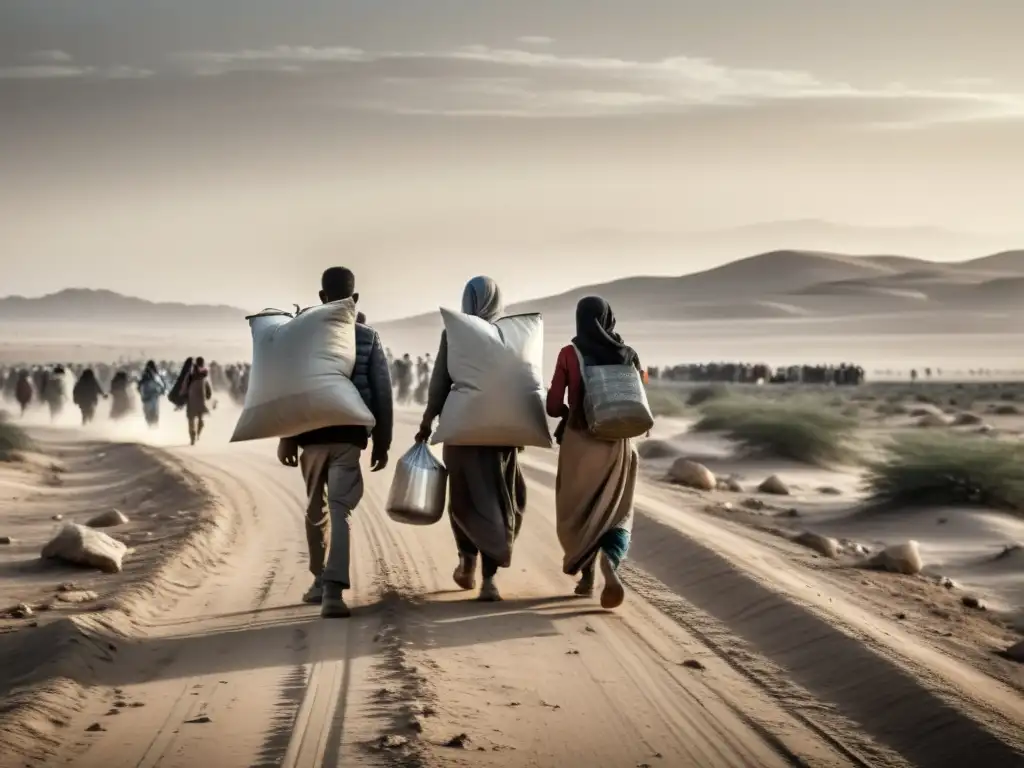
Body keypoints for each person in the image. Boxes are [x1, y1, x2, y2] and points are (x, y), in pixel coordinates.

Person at [276, 267, 393, 619]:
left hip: (311, 438)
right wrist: (382, 442)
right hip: (348, 437)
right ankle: (332, 592)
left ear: (322, 298)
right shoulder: (367, 337)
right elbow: (383, 393)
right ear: (354, 299)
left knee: (316, 511)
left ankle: (318, 580)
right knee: (341, 510)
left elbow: (290, 388)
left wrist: (287, 438)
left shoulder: (302, 337)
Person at [415, 276, 526, 602]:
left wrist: (427, 422)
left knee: (463, 499)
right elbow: (525, 380)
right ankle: (489, 579)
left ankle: (467, 562)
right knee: (500, 499)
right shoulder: (512, 334)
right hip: (502, 435)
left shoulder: (456, 333)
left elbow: (439, 383)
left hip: (462, 431)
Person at [546, 296, 641, 610]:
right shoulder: (628, 354)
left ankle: (585, 576)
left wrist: (567, 410)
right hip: (619, 444)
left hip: (580, 442)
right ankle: (610, 562)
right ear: (608, 319)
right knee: (617, 511)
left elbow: (552, 404)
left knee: (578, 512)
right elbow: (640, 396)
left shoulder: (568, 354)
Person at [180, 357, 213, 445]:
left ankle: (193, 437)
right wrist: (208, 395)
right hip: (201, 400)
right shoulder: (205, 374)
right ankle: (197, 434)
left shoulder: (191, 374)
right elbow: (208, 388)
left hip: (191, 400)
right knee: (200, 419)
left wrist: (183, 396)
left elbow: (185, 386)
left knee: (191, 420)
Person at [137, 360, 167, 428]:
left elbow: (139, 387)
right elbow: (162, 386)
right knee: (154, 413)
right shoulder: (156, 376)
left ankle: (151, 428)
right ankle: (154, 428)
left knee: (148, 414)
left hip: (147, 398)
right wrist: (161, 392)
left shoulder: (144, 376)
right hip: (153, 397)